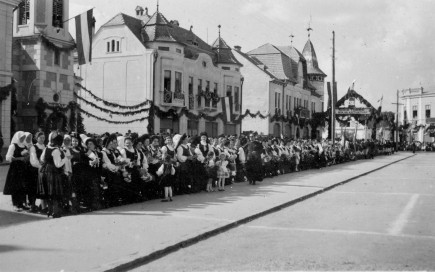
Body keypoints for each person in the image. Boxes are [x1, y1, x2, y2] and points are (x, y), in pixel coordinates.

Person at [38, 134, 66, 218]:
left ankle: (49, 211)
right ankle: (55, 212)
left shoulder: (46, 148)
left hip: (45, 171)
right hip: (53, 172)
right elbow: (58, 164)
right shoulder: (56, 151)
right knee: (54, 192)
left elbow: (42, 159)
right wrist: (65, 159)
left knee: (48, 192)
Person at [4, 131, 29, 211]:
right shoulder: (13, 146)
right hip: (15, 168)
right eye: (21, 137)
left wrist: (26, 157)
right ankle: (15, 204)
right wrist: (19, 158)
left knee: (22, 186)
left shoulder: (24, 146)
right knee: (15, 186)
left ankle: (21, 204)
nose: (23, 139)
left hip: (23, 167)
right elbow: (8, 158)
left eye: (23, 137)